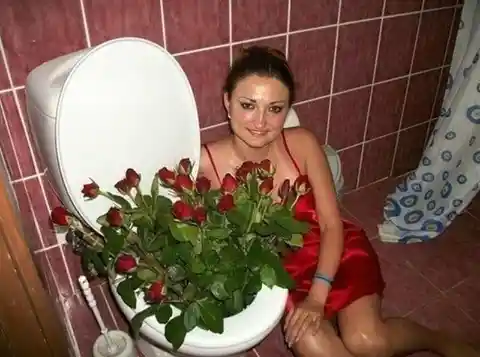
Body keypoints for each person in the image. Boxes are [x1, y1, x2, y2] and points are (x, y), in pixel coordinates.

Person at [198, 45, 479, 357]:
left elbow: (332, 224)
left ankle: (438, 340)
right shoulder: (204, 163)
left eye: (275, 109)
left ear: (287, 109)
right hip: (279, 277)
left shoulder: (302, 143)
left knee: (368, 341)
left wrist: (319, 294)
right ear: (227, 101)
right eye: (248, 105)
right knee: (317, 345)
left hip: (335, 252)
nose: (260, 122)